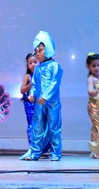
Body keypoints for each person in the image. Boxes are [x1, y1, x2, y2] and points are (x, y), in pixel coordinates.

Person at [19, 31, 62, 161]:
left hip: (52, 103)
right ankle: (35, 152)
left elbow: (55, 83)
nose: (38, 53)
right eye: (36, 50)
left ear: (48, 49)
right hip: (39, 103)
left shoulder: (55, 66)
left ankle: (55, 153)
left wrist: (46, 96)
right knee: (37, 127)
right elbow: (34, 84)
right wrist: (32, 94)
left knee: (54, 128)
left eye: (41, 50)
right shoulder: (38, 69)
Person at [20, 53, 38, 150]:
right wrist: (31, 84)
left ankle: (42, 147)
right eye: (30, 63)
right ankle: (33, 147)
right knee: (32, 124)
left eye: (35, 62)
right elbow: (22, 90)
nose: (33, 65)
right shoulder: (28, 76)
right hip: (30, 104)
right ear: (27, 65)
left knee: (43, 124)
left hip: (40, 103)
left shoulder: (43, 75)